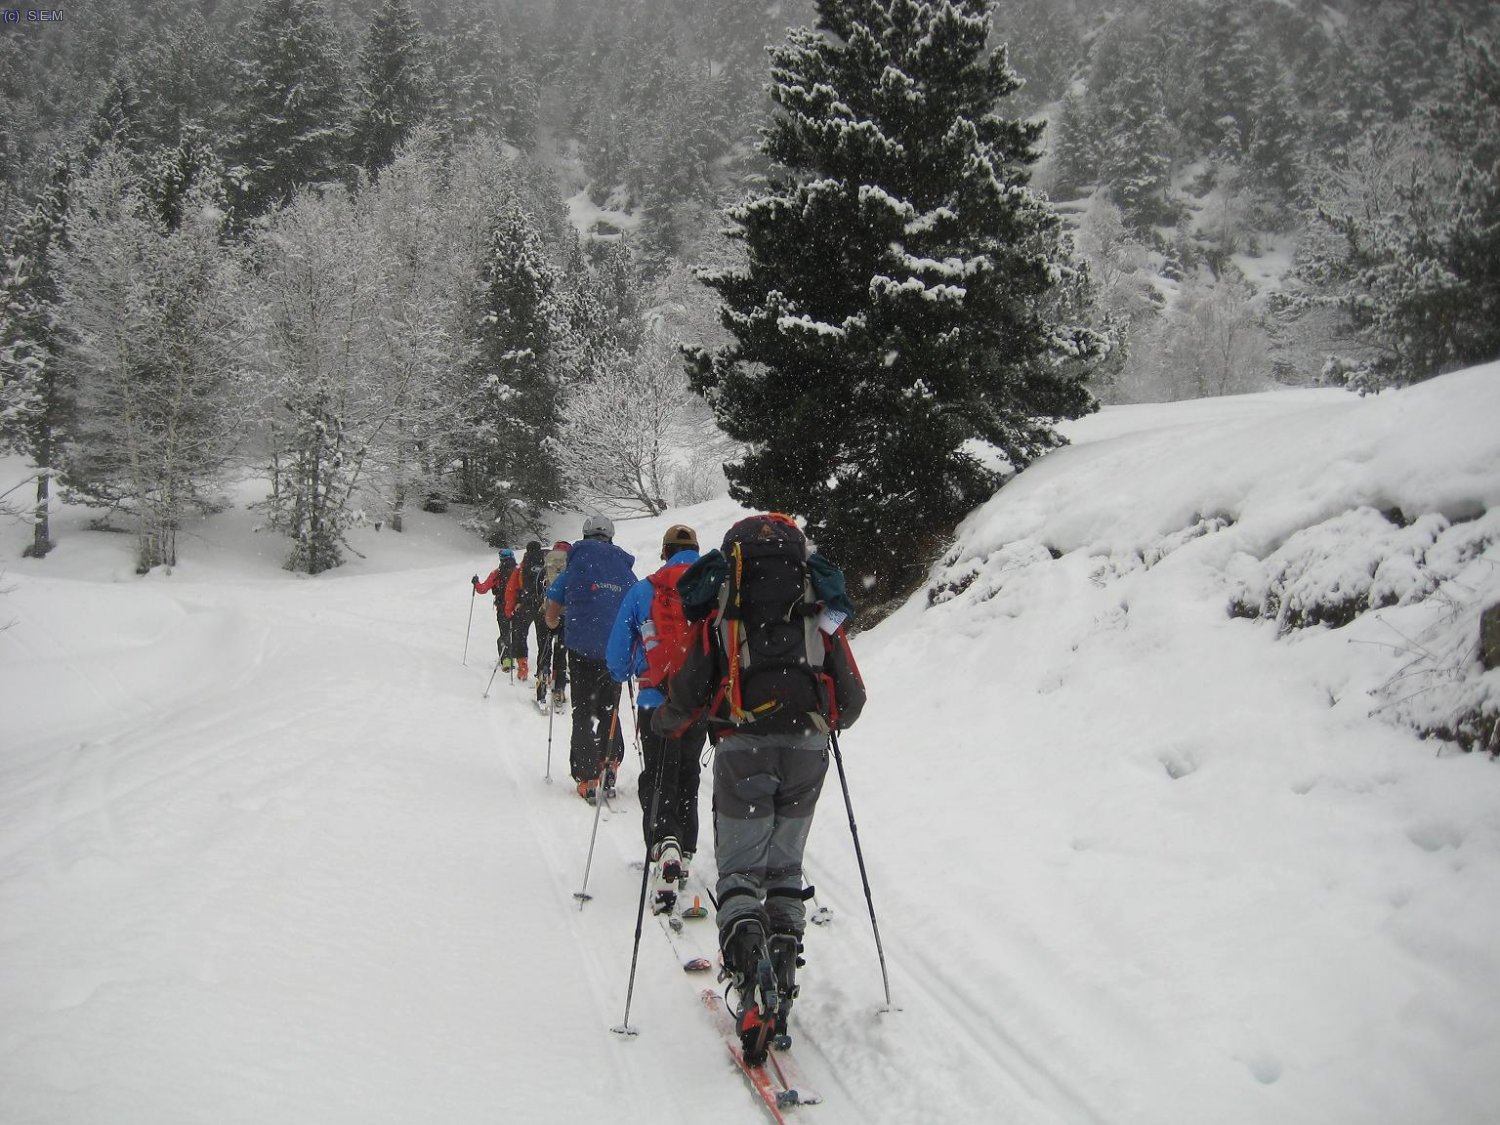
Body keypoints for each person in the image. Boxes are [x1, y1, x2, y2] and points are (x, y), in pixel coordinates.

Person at [653, 513, 865, 1064]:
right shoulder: (815, 599)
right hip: (808, 748)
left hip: (741, 744)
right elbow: (854, 695)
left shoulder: (727, 598)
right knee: (785, 870)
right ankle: (784, 969)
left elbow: (695, 680)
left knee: (741, 872)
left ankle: (751, 979)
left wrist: (670, 721)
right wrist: (823, 721)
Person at [606, 524, 707, 915]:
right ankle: (686, 847)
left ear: (665, 553)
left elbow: (616, 655)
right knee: (687, 772)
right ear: (697, 552)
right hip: (697, 700)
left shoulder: (643, 590)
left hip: (655, 698)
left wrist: (625, 671)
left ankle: (664, 839)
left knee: (659, 772)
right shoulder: (711, 588)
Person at [544, 516, 635, 803]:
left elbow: (553, 606)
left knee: (583, 710)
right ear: (610, 536)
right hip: (614, 649)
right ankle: (610, 761)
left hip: (581, 648)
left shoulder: (576, 564)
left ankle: (586, 777)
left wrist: (553, 623)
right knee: (609, 706)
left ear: (585, 534)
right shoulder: (624, 568)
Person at [534, 541, 570, 713]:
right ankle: (559, 690)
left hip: (546, 613)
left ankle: (541, 689)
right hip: (566, 616)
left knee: (544, 651)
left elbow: (536, 588)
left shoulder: (546, 566)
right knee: (561, 654)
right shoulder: (573, 568)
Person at [503, 541, 546, 682]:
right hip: (543, 605)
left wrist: (509, 611)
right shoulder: (547, 565)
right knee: (543, 639)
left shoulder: (522, 567)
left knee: (521, 635)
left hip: (525, 605)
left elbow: (511, 590)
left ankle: (523, 667)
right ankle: (544, 671)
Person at [472, 548, 519, 668]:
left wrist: (476, 583)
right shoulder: (519, 571)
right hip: (518, 608)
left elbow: (482, 589)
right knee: (517, 633)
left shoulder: (497, 573)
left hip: (502, 608)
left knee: (504, 634)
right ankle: (520, 660)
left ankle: (506, 661)